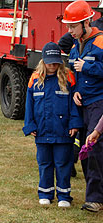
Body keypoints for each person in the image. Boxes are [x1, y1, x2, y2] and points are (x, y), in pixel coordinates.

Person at [23, 42, 82, 208]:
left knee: (63, 163)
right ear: (43, 61)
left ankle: (64, 195)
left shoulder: (68, 77)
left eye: (56, 62)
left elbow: (74, 105)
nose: (52, 66)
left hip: (63, 132)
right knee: (44, 163)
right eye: (50, 62)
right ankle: (45, 193)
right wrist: (30, 126)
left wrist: (74, 124)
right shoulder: (34, 79)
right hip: (41, 131)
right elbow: (29, 105)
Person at [62, 0, 103, 212]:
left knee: (95, 148)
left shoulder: (101, 41)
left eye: (73, 26)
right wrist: (77, 90)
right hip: (83, 101)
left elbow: (92, 69)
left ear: (86, 22)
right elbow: (76, 74)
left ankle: (96, 198)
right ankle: (92, 193)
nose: (69, 31)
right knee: (84, 149)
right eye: (68, 27)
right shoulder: (76, 44)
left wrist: (88, 66)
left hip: (99, 102)